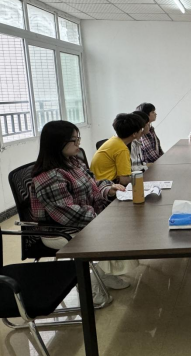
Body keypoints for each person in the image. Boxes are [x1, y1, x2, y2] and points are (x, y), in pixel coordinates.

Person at [30, 121, 138, 305]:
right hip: (60, 229)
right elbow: (68, 213)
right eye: (74, 140)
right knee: (117, 230)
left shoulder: (73, 162)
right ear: (58, 143)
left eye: (78, 138)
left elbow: (93, 184)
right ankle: (92, 285)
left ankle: (104, 273)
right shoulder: (49, 176)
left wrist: (109, 189)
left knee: (126, 223)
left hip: (85, 218)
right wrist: (103, 219)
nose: (78, 143)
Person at [91, 113, 143, 186]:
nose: (142, 132)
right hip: (106, 186)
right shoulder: (122, 149)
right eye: (141, 129)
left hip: (97, 183)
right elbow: (124, 180)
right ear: (134, 134)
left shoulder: (114, 140)